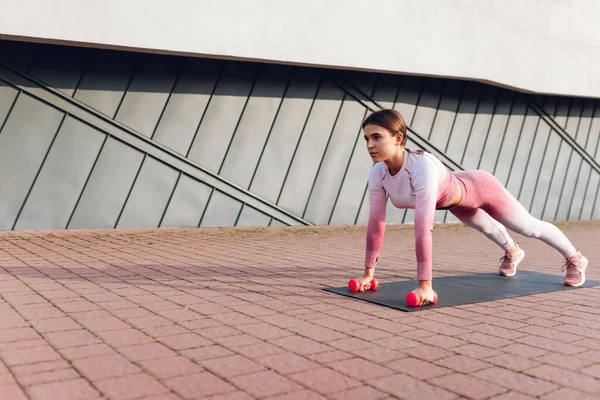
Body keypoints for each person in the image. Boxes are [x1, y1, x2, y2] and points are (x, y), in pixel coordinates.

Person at [353, 109, 589, 306]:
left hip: (479, 187)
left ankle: (576, 258)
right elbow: (376, 224)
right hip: (455, 202)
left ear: (397, 137)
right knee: (487, 229)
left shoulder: (421, 167)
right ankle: (513, 252)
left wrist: (425, 286)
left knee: (528, 227)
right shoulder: (378, 173)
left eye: (376, 137)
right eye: (366, 139)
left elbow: (423, 228)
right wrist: (368, 274)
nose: (370, 145)